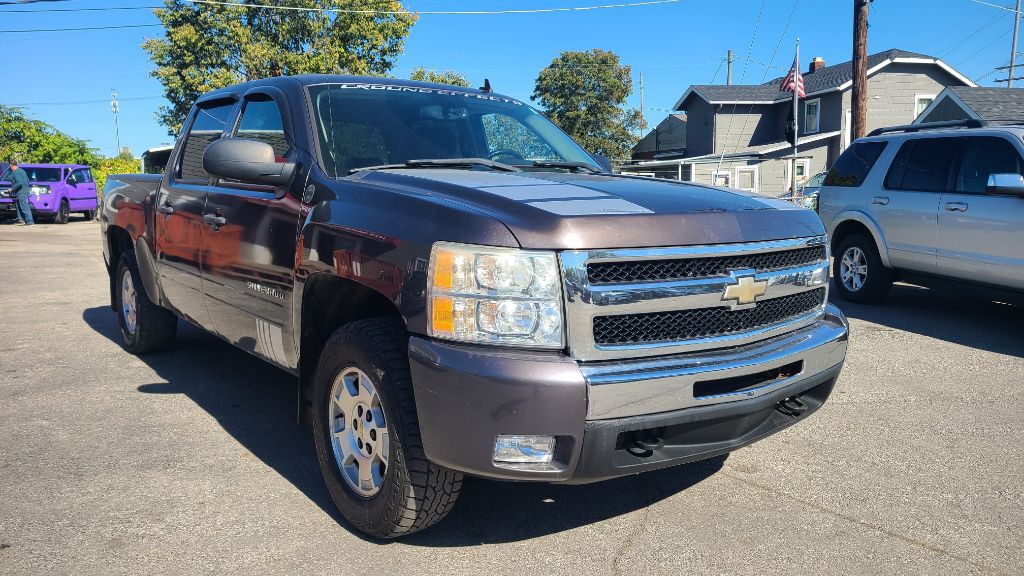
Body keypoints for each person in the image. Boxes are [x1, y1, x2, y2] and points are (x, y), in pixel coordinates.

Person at [7, 159, 33, 226]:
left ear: (10, 165)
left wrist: (12, 189)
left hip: (21, 192)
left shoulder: (15, 172)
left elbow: (19, 182)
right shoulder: (22, 171)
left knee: (24, 206)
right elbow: (27, 180)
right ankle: (21, 220)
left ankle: (30, 221)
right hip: (23, 191)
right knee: (19, 206)